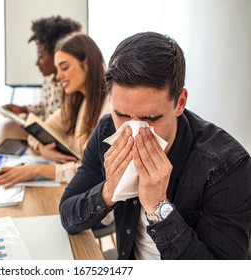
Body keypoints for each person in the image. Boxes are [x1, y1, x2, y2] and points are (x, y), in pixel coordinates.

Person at [59, 31, 251, 260]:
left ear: (179, 103)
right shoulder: (107, 130)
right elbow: (67, 214)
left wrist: (158, 207)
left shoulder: (227, 166)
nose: (133, 130)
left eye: (150, 118)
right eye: (121, 114)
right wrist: (109, 190)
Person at [0, 32, 111, 190]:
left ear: (86, 64)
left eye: (64, 67)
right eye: (57, 69)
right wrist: (43, 149)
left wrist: (38, 170)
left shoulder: (109, 109)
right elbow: (38, 131)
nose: (58, 76)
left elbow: (98, 173)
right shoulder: (77, 100)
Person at [3, 16, 81, 121]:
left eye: (41, 56)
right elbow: (45, 106)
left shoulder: (70, 85)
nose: (37, 63)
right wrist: (23, 109)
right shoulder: (48, 79)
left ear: (57, 54)